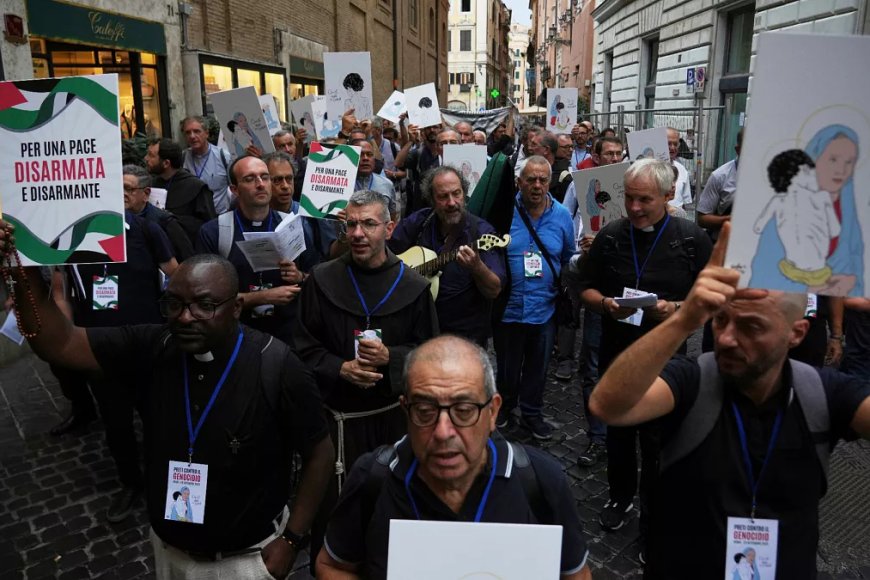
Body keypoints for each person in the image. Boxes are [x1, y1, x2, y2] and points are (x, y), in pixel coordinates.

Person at [4, 250, 335, 580]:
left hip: (247, 560)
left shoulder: (277, 365)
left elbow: (320, 454)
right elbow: (58, 344)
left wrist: (291, 539)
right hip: (170, 554)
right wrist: (24, 266)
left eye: (205, 305)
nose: (185, 317)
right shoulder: (155, 346)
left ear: (236, 308)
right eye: (173, 304)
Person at [589, 222, 870, 579]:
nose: (727, 340)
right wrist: (686, 318)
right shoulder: (693, 380)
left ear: (795, 334)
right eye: (721, 321)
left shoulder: (824, 394)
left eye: (752, 327)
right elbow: (608, 406)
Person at [315, 335, 592, 580]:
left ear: (493, 412)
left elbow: (576, 574)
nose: (443, 432)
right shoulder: (373, 478)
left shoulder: (540, 481)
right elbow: (333, 566)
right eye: (425, 410)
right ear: (405, 411)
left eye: (464, 409)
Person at [293, 189, 439, 568]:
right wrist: (338, 368)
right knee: (333, 515)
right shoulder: (321, 281)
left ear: (389, 228)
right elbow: (301, 349)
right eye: (351, 224)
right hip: (335, 428)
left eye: (368, 224)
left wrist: (393, 357)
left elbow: (429, 355)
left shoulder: (415, 288)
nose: (357, 233)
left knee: (391, 512)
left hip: (391, 423)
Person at [577, 159, 711, 543]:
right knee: (618, 433)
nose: (634, 208)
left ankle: (656, 517)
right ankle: (620, 497)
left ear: (668, 196)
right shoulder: (612, 236)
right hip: (617, 354)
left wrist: (677, 310)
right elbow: (583, 287)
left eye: (645, 201)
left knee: (659, 442)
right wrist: (604, 304)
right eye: (630, 199)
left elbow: (708, 301)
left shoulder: (691, 239)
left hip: (667, 363)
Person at [50, 209, 178, 522]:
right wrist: (67, 336)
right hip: (97, 349)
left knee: (158, 416)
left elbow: (174, 273)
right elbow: (60, 291)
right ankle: (131, 482)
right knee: (116, 422)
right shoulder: (65, 238)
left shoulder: (146, 230)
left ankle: (165, 479)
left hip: (147, 343)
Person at [558, 136, 627, 465]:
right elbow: (567, 242)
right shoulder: (579, 186)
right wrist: (582, 254)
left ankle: (626, 430)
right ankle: (598, 436)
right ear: (596, 157)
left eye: (618, 153)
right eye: (608, 153)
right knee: (594, 365)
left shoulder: (633, 186)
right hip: (598, 289)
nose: (613, 157)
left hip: (630, 291)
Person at [494, 156, 574, 440]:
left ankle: (531, 413)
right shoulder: (503, 211)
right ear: (519, 183)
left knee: (538, 367)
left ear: (550, 182)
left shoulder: (562, 215)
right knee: (507, 366)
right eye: (530, 180)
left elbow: (567, 257)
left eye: (542, 179)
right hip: (508, 307)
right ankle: (505, 408)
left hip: (545, 307)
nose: (537, 185)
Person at [196, 155, 307, 346]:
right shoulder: (215, 231)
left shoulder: (292, 225)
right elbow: (205, 298)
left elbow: (314, 278)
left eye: (265, 177)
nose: (260, 184)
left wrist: (299, 277)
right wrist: (261, 297)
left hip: (288, 337)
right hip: (235, 338)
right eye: (249, 179)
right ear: (234, 190)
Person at [389, 166, 505, 346]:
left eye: (456, 194)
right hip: (418, 331)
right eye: (443, 196)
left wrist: (477, 267)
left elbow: (494, 290)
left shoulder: (481, 232)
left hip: (464, 336)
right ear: (432, 200)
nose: (451, 202)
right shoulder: (420, 221)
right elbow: (386, 253)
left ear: (464, 193)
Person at [751, 124, 862, 297]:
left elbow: (855, 267)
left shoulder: (851, 212)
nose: (841, 170)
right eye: (833, 159)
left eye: (850, 162)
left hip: (827, 301)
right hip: (786, 298)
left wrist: (850, 287)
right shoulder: (780, 203)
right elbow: (759, 273)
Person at [145, 138, 217, 244]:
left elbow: (209, 226)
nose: (146, 158)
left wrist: (173, 220)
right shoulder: (152, 184)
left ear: (166, 163)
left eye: (151, 155)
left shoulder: (196, 187)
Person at [123, 164, 195, 262]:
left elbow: (187, 260)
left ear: (146, 193)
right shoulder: (111, 219)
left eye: (128, 189)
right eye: (119, 188)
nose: (123, 193)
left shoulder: (164, 222)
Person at [181, 116, 232, 214]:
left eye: (197, 131)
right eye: (188, 132)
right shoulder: (182, 158)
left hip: (219, 216)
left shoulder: (224, 157)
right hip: (193, 218)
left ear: (206, 133)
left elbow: (235, 188)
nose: (192, 136)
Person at [697, 129, 741, 242]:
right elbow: (702, 219)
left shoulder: (769, 176)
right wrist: (728, 220)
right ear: (738, 149)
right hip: (724, 245)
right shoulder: (720, 176)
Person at [666, 127, 693, 210]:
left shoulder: (682, 170)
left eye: (675, 144)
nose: (673, 148)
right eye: (669, 143)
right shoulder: (648, 169)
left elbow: (684, 202)